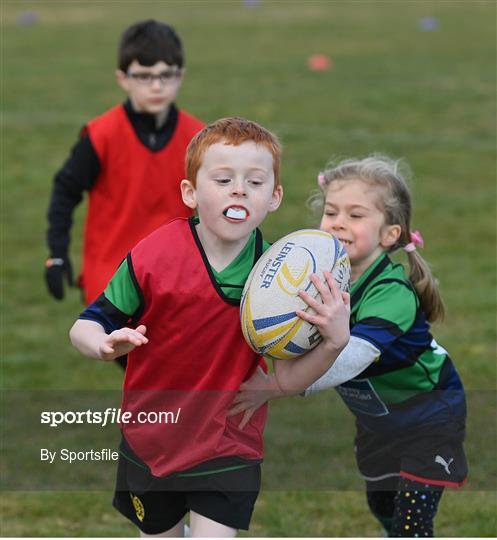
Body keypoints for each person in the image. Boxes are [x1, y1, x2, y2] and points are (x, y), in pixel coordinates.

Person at [69, 117, 350, 537]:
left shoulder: (286, 279)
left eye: (255, 182)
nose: (239, 190)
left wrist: (334, 342)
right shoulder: (154, 256)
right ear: (190, 192)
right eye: (223, 179)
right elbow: (85, 324)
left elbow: (287, 380)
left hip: (228, 443)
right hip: (153, 436)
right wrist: (103, 344)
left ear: (274, 198)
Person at [230, 155, 468, 537]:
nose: (338, 222)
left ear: (390, 234)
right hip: (377, 422)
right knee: (382, 504)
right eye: (331, 211)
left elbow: (352, 357)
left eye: (356, 215)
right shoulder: (312, 280)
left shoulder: (392, 293)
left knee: (412, 522)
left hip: (430, 414)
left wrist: (280, 385)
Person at [45, 19, 204, 306]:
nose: (156, 86)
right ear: (123, 78)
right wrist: (57, 254)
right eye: (144, 76)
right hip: (112, 283)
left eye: (166, 75)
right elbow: (65, 191)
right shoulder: (101, 135)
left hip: (178, 281)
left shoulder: (198, 139)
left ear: (180, 76)